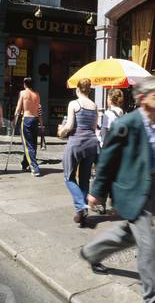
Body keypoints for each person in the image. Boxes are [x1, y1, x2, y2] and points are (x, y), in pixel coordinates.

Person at [80, 76, 155, 303]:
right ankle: (153, 296)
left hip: (154, 188)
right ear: (143, 98)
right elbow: (107, 160)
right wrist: (97, 191)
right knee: (149, 244)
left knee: (128, 233)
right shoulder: (125, 124)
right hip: (131, 188)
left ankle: (92, 252)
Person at [58, 79, 100, 227]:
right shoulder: (94, 105)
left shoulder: (74, 104)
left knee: (68, 176)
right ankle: (84, 214)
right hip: (91, 143)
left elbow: (69, 126)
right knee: (84, 178)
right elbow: (94, 127)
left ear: (77, 90)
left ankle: (80, 206)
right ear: (89, 90)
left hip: (76, 142)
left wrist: (61, 131)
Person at [14, 77, 43, 176]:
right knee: (33, 144)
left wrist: (14, 120)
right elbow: (39, 110)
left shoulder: (23, 93)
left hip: (26, 119)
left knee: (27, 145)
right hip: (35, 119)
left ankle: (35, 168)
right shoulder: (37, 94)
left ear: (25, 84)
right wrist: (41, 124)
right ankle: (25, 163)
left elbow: (18, 109)